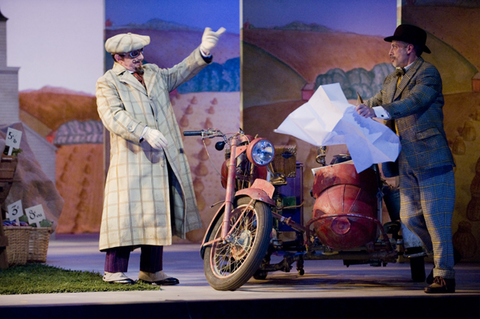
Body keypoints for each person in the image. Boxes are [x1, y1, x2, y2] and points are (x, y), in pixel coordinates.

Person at [96, 27, 225, 285]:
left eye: (140, 52)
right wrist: (142, 131)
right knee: (126, 214)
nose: (140, 57)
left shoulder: (153, 73)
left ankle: (152, 270)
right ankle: (113, 270)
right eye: (133, 54)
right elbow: (113, 116)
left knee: (157, 212)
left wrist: (203, 52)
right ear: (118, 57)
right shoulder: (108, 82)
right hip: (132, 159)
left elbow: (179, 72)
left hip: (159, 157)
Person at [356, 24, 457, 293]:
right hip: (406, 161)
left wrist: (377, 109)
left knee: (436, 219)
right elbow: (374, 100)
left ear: (409, 49)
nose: (390, 52)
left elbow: (412, 103)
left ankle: (445, 275)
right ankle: (443, 255)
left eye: (394, 47)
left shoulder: (428, 74)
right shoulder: (392, 80)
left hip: (432, 159)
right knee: (410, 218)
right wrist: (355, 109)